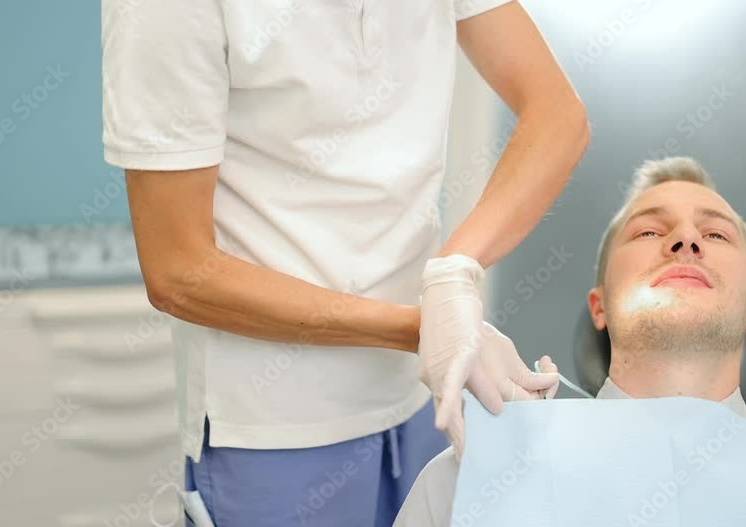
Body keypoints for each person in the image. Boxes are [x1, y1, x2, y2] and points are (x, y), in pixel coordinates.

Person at [100, 0, 589, 524]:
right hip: (276, 427)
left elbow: (556, 113)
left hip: (419, 400)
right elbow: (178, 272)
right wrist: (423, 329)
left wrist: (452, 276)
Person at [395, 156, 746, 525]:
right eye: (649, 231)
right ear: (600, 306)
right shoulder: (471, 483)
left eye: (715, 233)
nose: (686, 239)